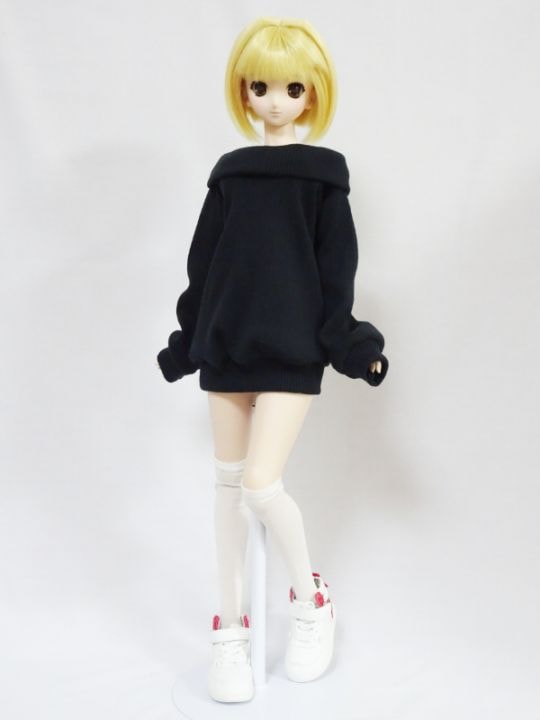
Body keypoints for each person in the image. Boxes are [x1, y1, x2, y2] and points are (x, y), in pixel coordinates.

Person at [156, 16, 389, 703]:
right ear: (244, 92)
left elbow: (336, 275)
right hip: (228, 349)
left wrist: (355, 347)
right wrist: (186, 341)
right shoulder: (230, 177)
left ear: (313, 93)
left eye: (292, 88)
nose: (277, 101)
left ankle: (310, 602)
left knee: (261, 484)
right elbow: (204, 270)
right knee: (228, 487)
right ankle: (230, 629)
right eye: (262, 87)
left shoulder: (322, 180)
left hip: (291, 351)